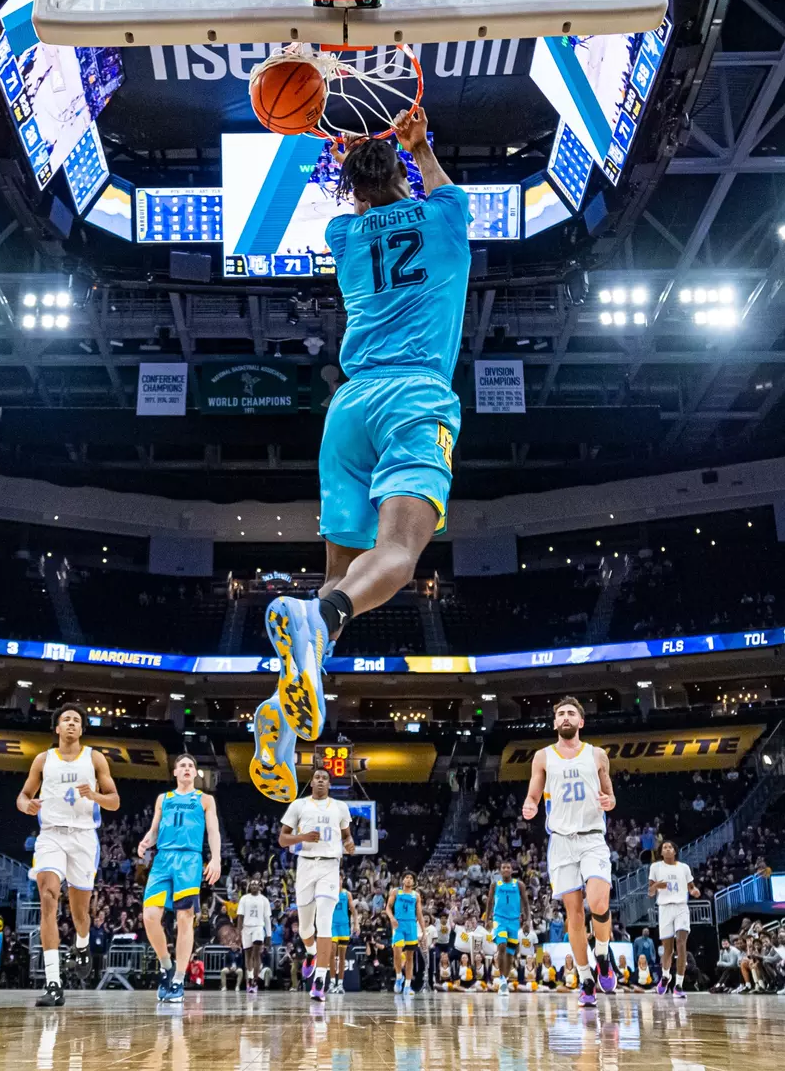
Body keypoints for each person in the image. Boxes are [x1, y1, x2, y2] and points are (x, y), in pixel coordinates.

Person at [263, 108, 472, 745]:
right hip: (415, 397)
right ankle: (318, 621)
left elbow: (368, 205)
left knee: (343, 575)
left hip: (350, 406)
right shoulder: (445, 216)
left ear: (350, 190)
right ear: (403, 174)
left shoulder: (344, 236)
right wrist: (418, 144)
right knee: (399, 559)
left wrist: (361, 153)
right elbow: (433, 186)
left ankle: (284, 707)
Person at [17, 704, 120, 1007]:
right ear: (58, 729)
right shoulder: (42, 759)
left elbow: (114, 801)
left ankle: (82, 945)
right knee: (48, 896)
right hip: (50, 835)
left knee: (80, 914)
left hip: (84, 837)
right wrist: (27, 806)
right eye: (66, 720)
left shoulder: (95, 758)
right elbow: (23, 796)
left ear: (81, 729)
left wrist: (95, 795)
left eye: (77, 720)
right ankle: (53, 983)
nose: (72, 724)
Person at [522, 696, 617, 1007]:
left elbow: (610, 795)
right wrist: (531, 804)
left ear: (581, 722)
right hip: (561, 842)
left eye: (571, 713)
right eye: (560, 713)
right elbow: (534, 791)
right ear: (554, 722)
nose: (565, 717)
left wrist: (608, 802)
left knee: (598, 900)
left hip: (592, 837)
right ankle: (586, 977)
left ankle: (602, 953)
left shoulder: (598, 755)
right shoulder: (542, 757)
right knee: (574, 915)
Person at [138, 752, 221, 1003]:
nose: (186, 768)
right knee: (150, 916)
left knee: (185, 919)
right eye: (182, 765)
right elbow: (154, 830)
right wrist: (146, 842)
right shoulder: (163, 799)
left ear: (196, 773)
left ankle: (177, 981)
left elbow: (213, 831)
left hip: (189, 860)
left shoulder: (205, 799)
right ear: (174, 772)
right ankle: (166, 966)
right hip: (163, 860)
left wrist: (215, 858)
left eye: (190, 766)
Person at [278, 768, 355, 1001]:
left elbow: (347, 836)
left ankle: (320, 979)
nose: (321, 781)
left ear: (329, 784)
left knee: (324, 921)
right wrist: (302, 837)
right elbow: (283, 839)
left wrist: (350, 844)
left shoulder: (340, 807)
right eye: (317, 777)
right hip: (305, 865)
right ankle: (311, 953)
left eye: (325, 778)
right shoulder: (299, 805)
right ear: (311, 782)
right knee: (304, 929)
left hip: (330, 867)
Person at [648, 840, 700, 998]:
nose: (668, 849)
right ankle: (665, 977)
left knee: (681, 944)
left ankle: (678, 984)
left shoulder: (684, 867)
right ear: (661, 852)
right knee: (668, 949)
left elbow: (691, 887)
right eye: (665, 847)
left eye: (670, 846)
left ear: (675, 851)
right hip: (664, 908)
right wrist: (657, 886)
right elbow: (650, 892)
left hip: (681, 907)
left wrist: (694, 891)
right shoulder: (655, 867)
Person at [485, 858, 529, 999]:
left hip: (514, 922)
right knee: (502, 945)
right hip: (499, 920)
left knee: (510, 953)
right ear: (500, 870)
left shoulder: (519, 884)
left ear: (512, 870)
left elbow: (526, 903)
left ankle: (504, 980)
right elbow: (490, 902)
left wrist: (527, 920)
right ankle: (502, 978)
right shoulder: (495, 884)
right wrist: (487, 919)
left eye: (508, 867)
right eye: (503, 867)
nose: (505, 870)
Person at [385, 871, 426, 997]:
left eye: (411, 878)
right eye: (406, 877)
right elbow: (388, 907)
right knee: (397, 951)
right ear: (402, 880)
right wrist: (391, 918)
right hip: (399, 925)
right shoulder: (396, 892)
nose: (408, 880)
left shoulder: (416, 895)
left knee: (410, 957)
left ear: (414, 882)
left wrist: (424, 932)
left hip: (411, 926)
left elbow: (419, 914)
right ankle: (399, 977)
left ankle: (407, 986)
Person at [236, 878, 272, 995]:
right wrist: (238, 931)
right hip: (246, 928)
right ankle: (250, 977)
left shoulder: (264, 900)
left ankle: (255, 981)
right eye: (252, 884)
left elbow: (267, 918)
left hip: (258, 928)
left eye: (257, 884)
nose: (254, 886)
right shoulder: (244, 899)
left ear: (260, 887)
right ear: (249, 886)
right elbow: (240, 916)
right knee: (248, 954)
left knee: (256, 953)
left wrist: (269, 935)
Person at [331, 875, 359, 994]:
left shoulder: (347, 894)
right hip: (332, 926)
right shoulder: (329, 893)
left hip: (344, 926)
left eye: (340, 878)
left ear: (342, 880)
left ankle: (340, 984)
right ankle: (332, 982)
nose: (338, 880)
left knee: (342, 957)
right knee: (332, 953)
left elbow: (353, 910)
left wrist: (356, 924)